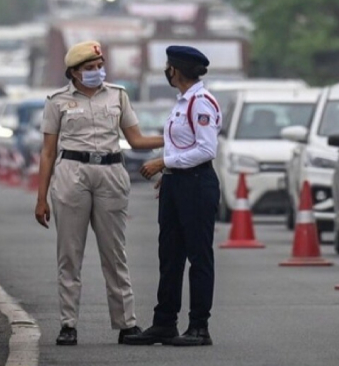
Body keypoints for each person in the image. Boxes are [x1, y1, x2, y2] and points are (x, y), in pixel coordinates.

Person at [34, 41, 164, 346]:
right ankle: (68, 324)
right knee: (69, 253)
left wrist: (174, 138)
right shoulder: (56, 102)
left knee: (115, 252)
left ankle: (126, 323)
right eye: (89, 68)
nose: (96, 72)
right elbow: (48, 152)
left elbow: (135, 138)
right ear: (74, 72)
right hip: (71, 173)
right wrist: (41, 198)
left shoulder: (118, 95)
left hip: (110, 172)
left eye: (99, 66)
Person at [124, 45, 220, 347]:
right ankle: (164, 322)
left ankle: (199, 327)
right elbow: (182, 145)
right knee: (169, 255)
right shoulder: (182, 103)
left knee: (198, 256)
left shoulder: (201, 103)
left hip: (198, 184)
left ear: (175, 70)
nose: (167, 71)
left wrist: (163, 162)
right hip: (177, 184)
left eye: (168, 66)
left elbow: (206, 150)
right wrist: (169, 175)